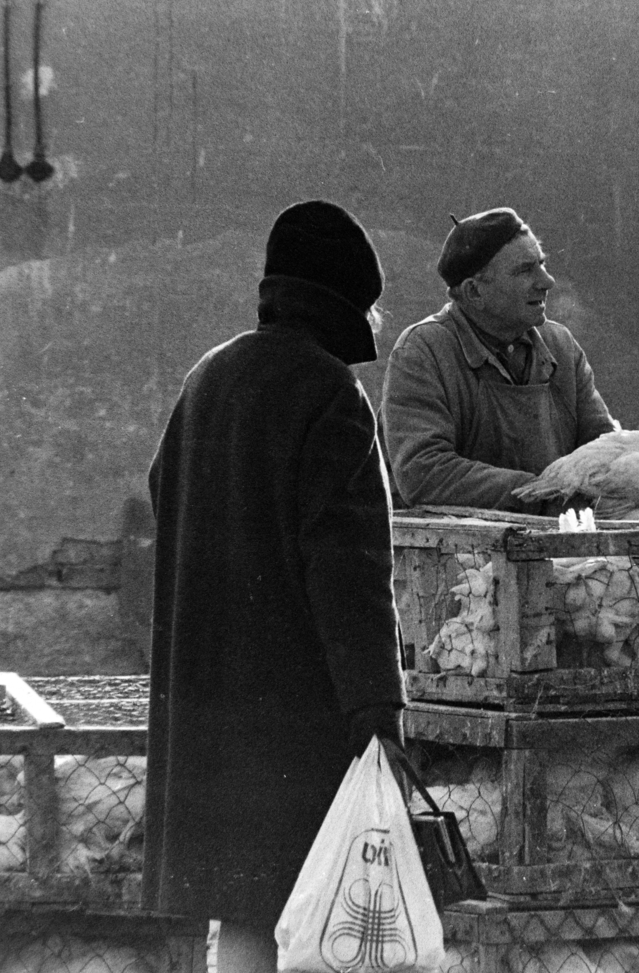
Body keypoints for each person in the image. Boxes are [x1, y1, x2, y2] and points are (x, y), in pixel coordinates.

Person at [144, 200, 406, 973]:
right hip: (296, 711)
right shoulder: (330, 394)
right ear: (349, 302)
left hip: (207, 701)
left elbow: (167, 497)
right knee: (318, 909)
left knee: (245, 905)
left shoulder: (208, 376)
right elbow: (351, 576)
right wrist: (378, 714)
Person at [381, 206, 615, 511]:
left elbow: (604, 449)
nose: (547, 281)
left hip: (559, 543)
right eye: (524, 270)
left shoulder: (561, 346)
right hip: (456, 552)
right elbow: (425, 474)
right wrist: (544, 493)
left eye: (542, 264)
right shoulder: (422, 352)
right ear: (475, 292)